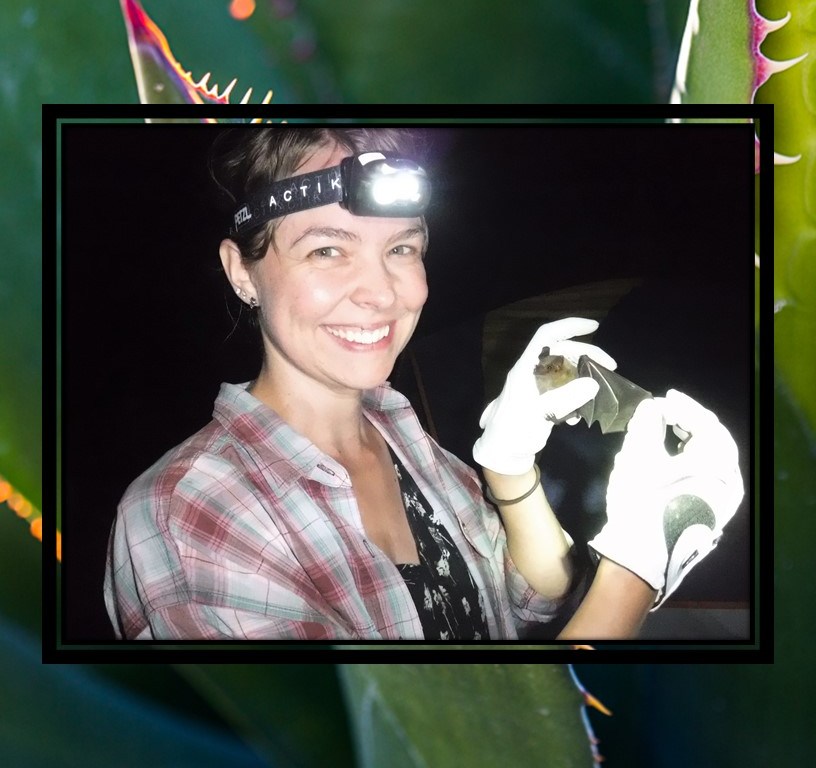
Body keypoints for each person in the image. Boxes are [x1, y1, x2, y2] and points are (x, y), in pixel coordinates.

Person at [103, 127, 744, 641]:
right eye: (328, 250)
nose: (381, 292)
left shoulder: (399, 430)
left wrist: (508, 466)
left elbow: (533, 602)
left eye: (402, 249)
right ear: (241, 271)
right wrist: (635, 572)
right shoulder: (187, 518)